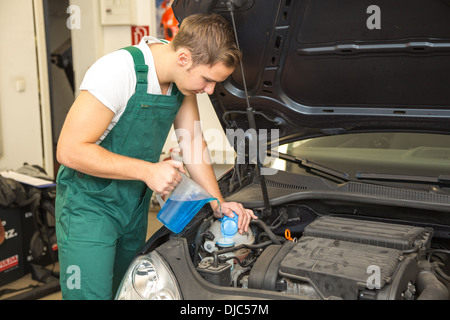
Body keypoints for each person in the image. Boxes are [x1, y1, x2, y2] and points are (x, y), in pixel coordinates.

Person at [55, 13, 257, 300]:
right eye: (208, 80)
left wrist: (217, 203)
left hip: (132, 207)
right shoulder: (117, 71)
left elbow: (193, 143)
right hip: (89, 207)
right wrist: (148, 171)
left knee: (130, 293)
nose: (210, 90)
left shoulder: (182, 81)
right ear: (184, 58)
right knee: (88, 295)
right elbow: (69, 150)